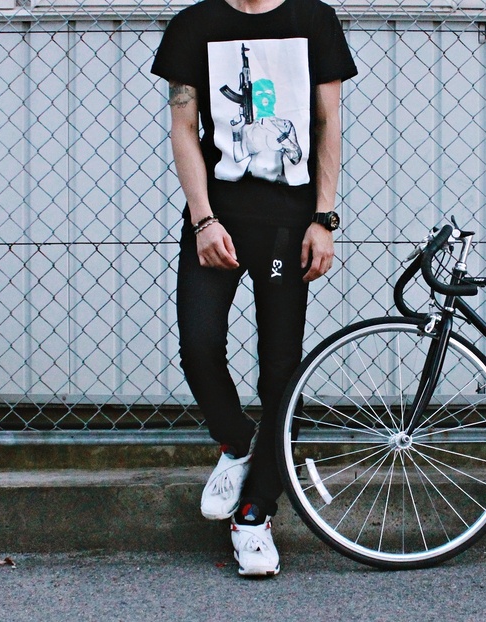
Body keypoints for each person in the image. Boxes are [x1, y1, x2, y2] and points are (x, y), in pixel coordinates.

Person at [151, 0, 357, 577]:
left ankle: (255, 514)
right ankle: (237, 443)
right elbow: (183, 128)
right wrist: (202, 219)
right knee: (198, 345)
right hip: (216, 220)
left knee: (280, 372)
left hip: (288, 225)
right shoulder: (195, 26)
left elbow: (328, 122)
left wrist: (324, 218)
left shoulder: (313, 21)